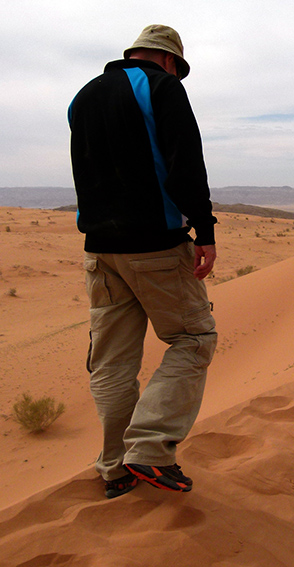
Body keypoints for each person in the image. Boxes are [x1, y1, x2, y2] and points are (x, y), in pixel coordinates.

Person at [68, 24, 217, 498]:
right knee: (194, 338)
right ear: (169, 60)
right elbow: (185, 163)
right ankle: (150, 446)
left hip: (99, 252)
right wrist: (205, 231)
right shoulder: (162, 87)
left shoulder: (83, 95)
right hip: (155, 246)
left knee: (112, 362)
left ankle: (115, 469)